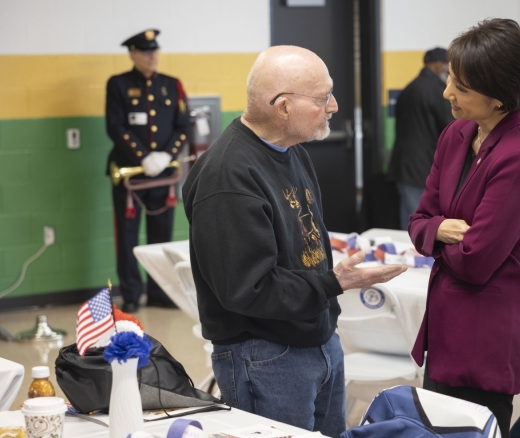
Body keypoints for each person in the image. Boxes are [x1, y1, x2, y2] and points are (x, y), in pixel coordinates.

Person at [182, 46, 407, 437]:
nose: (334, 106)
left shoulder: (291, 151)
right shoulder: (227, 176)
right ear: (283, 106)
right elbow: (246, 288)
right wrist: (332, 283)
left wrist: (328, 289)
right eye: (322, 98)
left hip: (316, 336)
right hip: (265, 354)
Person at [408, 19, 520, 435]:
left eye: (462, 88)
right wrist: (440, 230)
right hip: (446, 324)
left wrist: (435, 234)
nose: (448, 92)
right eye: (450, 79)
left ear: (500, 98)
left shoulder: (519, 155)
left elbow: (475, 261)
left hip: (487, 331)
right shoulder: (456, 134)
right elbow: (417, 222)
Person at [106, 29, 191, 313]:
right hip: (131, 174)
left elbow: (183, 125)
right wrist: (143, 157)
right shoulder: (117, 85)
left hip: (163, 174)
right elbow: (115, 127)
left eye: (155, 50)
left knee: (162, 236)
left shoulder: (172, 85)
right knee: (127, 237)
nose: (152, 56)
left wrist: (166, 154)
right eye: (145, 51)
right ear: (132, 54)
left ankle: (159, 292)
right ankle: (131, 293)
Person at [388, 47, 454, 230]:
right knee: (420, 223)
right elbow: (451, 129)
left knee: (408, 219)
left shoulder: (410, 88)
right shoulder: (439, 91)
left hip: (405, 166)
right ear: (439, 65)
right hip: (422, 167)